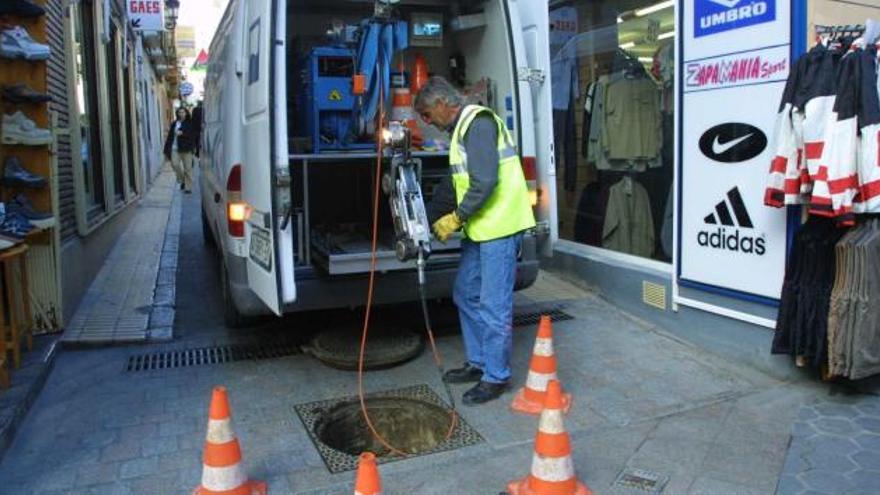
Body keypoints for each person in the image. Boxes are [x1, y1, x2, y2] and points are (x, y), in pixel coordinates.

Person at [415, 76, 536, 405]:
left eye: (427, 115)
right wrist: (423, 220)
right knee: (466, 293)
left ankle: (496, 376)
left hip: (499, 228)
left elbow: (483, 182)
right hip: (481, 229)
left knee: (494, 305)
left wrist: (455, 218)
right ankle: (479, 362)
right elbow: (452, 185)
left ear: (442, 104)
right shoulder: (460, 131)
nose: (427, 123)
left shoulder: (478, 123)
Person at [163, 107, 196, 193]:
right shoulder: (174, 123)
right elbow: (170, 136)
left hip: (186, 148)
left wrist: (182, 133)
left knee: (188, 168)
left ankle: (188, 187)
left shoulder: (190, 123)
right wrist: (166, 149)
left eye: (183, 112)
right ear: (177, 114)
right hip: (175, 148)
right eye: (179, 112)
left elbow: (192, 135)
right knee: (175, 164)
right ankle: (182, 180)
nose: (181, 114)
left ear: (186, 113)